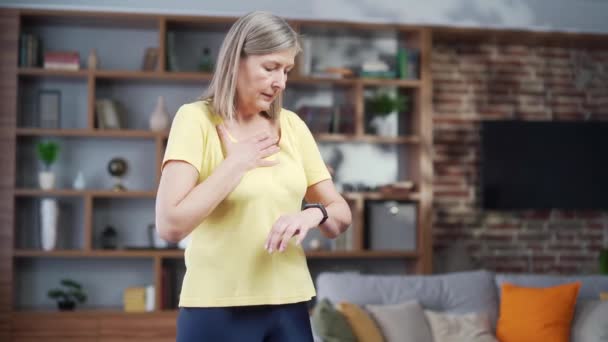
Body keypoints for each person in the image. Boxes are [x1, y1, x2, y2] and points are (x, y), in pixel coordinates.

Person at [155, 11, 352, 342]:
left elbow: (340, 215)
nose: (281, 82)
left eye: (286, 70)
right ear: (237, 61)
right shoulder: (196, 120)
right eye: (270, 67)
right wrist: (236, 164)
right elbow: (170, 224)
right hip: (216, 309)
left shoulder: (292, 126)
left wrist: (312, 214)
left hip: (289, 307)